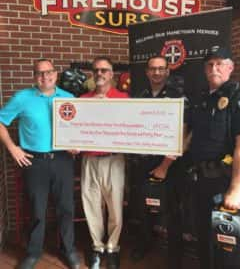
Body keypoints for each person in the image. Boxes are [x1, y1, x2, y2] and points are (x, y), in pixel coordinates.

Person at [0, 59, 80, 269]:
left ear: (55, 74)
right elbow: (1, 122)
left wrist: (76, 145)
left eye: (49, 72)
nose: (45, 77)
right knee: (37, 210)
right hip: (35, 162)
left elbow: (78, 129)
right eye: (39, 73)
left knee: (66, 208)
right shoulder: (22, 98)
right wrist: (13, 148)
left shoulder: (68, 98)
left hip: (63, 160)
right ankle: (33, 252)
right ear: (34, 76)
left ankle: (68, 249)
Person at [186, 47, 240, 269]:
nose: (214, 68)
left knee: (226, 244)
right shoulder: (200, 100)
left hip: (224, 182)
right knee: (203, 237)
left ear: (230, 67)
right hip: (200, 180)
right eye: (209, 64)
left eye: (219, 63)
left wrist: (236, 190)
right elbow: (188, 137)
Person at [129, 55, 187, 267]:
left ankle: (174, 254)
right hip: (142, 161)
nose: (156, 73)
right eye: (152, 69)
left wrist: (165, 164)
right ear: (146, 72)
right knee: (143, 207)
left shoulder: (178, 96)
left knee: (171, 210)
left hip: (168, 164)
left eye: (161, 69)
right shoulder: (140, 96)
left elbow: (184, 133)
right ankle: (145, 243)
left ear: (167, 72)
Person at [80, 57, 128, 269]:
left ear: (111, 75)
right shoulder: (82, 100)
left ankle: (113, 247)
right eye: (96, 70)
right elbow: (75, 130)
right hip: (89, 159)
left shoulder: (124, 99)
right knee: (92, 206)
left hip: (114, 159)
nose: (99, 74)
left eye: (104, 70)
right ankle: (97, 248)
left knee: (115, 207)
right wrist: (72, 143)